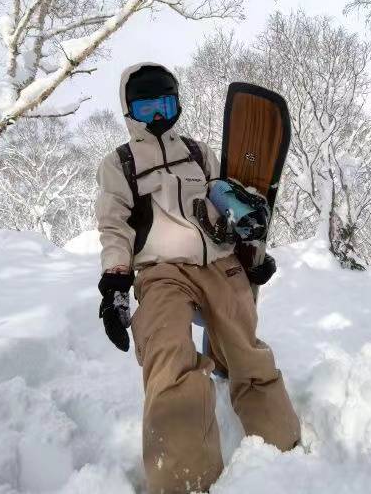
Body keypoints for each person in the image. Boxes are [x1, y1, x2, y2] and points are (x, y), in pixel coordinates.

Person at [95, 62, 300, 494]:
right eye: (147, 106)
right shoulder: (121, 163)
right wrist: (115, 281)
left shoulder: (198, 152)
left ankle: (288, 467)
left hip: (219, 264)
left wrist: (253, 254)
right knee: (168, 357)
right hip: (161, 272)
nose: (157, 116)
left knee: (249, 356)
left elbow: (223, 208)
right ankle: (183, 481)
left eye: (165, 103)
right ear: (130, 109)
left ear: (176, 103)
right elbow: (114, 225)